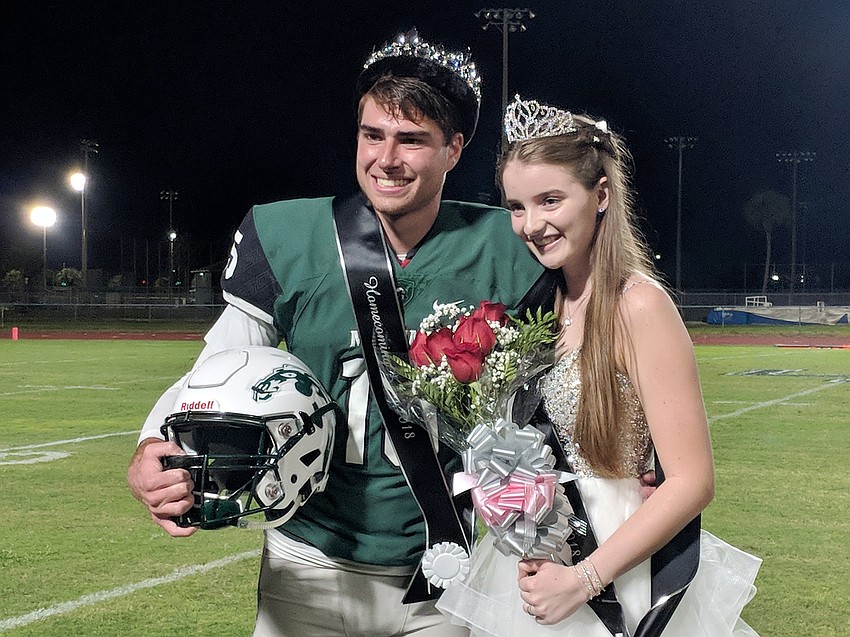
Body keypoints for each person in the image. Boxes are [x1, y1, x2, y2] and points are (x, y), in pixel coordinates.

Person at [127, 31, 552, 637]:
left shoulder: (508, 244)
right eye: (372, 134)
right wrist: (151, 446)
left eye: (412, 140)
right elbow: (220, 362)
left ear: (454, 150)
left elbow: (567, 376)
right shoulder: (289, 233)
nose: (387, 158)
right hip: (308, 563)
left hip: (442, 569)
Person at [436, 95, 762, 637]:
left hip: (617, 566)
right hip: (540, 564)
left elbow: (693, 480)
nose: (531, 224)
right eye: (516, 206)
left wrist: (585, 579)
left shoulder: (639, 304)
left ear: (602, 195)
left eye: (550, 200)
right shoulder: (540, 307)